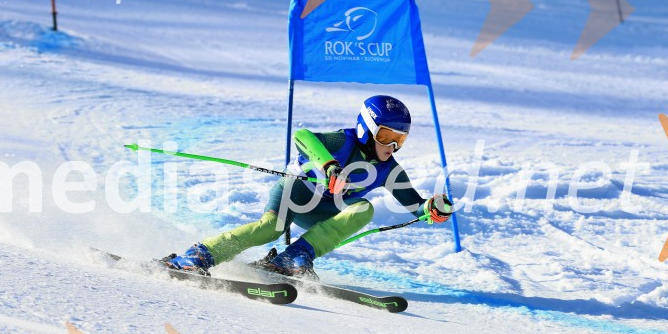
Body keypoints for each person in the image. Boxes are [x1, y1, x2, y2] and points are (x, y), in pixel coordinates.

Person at [162, 95, 453, 277]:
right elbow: (303, 136)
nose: (392, 145)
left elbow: (415, 205)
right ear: (366, 128)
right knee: (269, 229)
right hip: (295, 193)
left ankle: (292, 258)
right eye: (386, 135)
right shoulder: (344, 141)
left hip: (324, 210)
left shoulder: (389, 169)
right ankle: (198, 255)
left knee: (364, 208)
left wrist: (432, 209)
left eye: (400, 139)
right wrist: (328, 166)